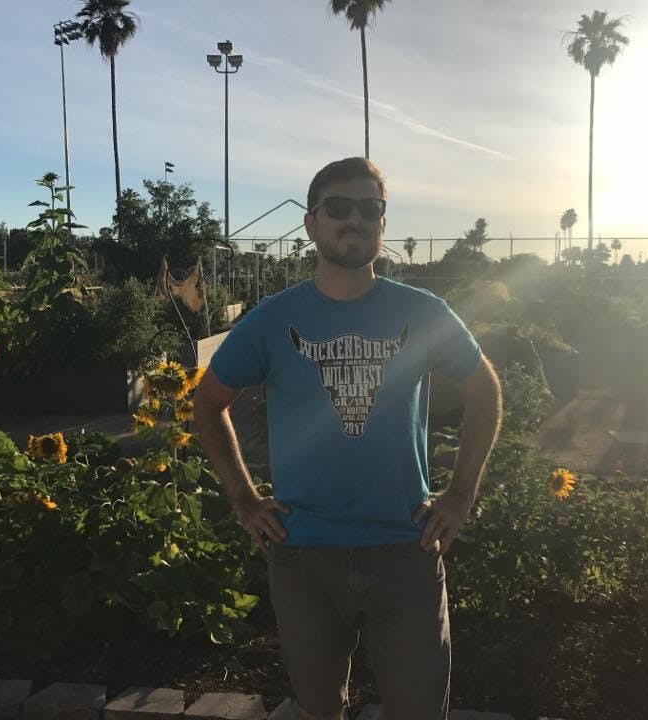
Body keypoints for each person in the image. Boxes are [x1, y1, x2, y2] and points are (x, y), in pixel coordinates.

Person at [193, 157, 502, 720]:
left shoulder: (423, 313)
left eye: (370, 209)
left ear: (383, 223)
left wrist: (460, 496)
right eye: (338, 208)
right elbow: (208, 405)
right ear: (311, 223)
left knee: (418, 710)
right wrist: (243, 499)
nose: (354, 220)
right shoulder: (270, 321)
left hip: (405, 549)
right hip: (302, 551)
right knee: (317, 710)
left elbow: (486, 391)